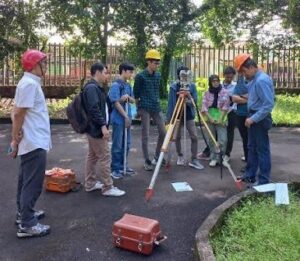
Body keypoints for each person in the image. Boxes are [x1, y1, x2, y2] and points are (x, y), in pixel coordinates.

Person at [10, 49, 51, 238]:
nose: (46, 66)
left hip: (32, 140)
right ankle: (27, 223)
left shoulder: (28, 83)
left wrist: (16, 137)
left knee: (25, 180)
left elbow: (15, 111)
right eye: (43, 63)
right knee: (32, 183)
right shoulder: (29, 84)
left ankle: (24, 214)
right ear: (35, 65)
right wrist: (14, 137)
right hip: (34, 141)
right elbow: (18, 113)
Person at [82, 62, 125, 196]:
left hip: (94, 128)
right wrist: (103, 126)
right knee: (105, 156)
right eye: (105, 73)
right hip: (96, 129)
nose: (107, 75)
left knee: (93, 156)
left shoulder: (96, 87)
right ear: (98, 73)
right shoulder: (92, 88)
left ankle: (90, 183)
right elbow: (94, 109)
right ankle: (107, 187)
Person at [234, 54, 275, 185]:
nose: (244, 75)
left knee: (262, 149)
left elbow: (268, 104)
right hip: (253, 115)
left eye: (244, 72)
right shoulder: (255, 79)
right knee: (251, 147)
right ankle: (250, 174)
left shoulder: (261, 80)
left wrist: (253, 119)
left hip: (259, 118)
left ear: (251, 67)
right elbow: (254, 94)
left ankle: (263, 181)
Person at [133, 49, 166, 171]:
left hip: (156, 107)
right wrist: (138, 110)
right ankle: (147, 160)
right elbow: (136, 94)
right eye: (155, 63)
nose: (157, 65)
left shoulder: (158, 75)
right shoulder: (140, 76)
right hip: (144, 107)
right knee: (145, 134)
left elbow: (158, 91)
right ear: (149, 62)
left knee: (163, 132)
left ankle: (157, 157)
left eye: (158, 63)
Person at [166, 66, 204, 170]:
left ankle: (194, 159)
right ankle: (180, 155)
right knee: (176, 137)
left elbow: (194, 101)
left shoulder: (192, 86)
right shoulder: (174, 87)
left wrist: (188, 98)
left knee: (194, 136)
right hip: (177, 114)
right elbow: (171, 103)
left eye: (187, 75)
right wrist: (169, 119)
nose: (185, 77)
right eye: (183, 75)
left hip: (189, 115)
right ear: (179, 75)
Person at [109, 62, 135, 179]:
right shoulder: (115, 85)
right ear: (123, 71)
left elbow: (133, 100)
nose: (131, 74)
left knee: (127, 143)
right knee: (117, 144)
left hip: (127, 118)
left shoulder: (128, 85)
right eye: (130, 71)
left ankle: (124, 165)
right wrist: (125, 116)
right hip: (119, 119)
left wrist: (128, 98)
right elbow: (115, 103)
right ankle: (115, 168)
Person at [201, 75, 230, 167]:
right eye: (213, 81)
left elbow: (226, 106)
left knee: (223, 139)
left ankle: (220, 157)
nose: (215, 82)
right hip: (210, 116)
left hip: (221, 116)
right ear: (210, 82)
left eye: (217, 81)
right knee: (211, 139)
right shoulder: (206, 93)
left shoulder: (225, 92)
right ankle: (213, 158)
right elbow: (204, 107)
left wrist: (220, 118)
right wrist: (210, 118)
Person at [232, 74, 249, 172]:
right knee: (245, 138)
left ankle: (253, 162)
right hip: (240, 114)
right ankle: (248, 160)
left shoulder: (256, 82)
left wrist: (241, 96)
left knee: (252, 140)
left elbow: (255, 97)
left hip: (251, 115)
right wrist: (247, 98)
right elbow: (234, 99)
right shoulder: (240, 82)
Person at [222, 66, 237, 162]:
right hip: (220, 112)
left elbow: (236, 99)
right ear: (224, 76)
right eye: (227, 77)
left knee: (230, 132)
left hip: (232, 112)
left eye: (231, 77)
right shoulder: (219, 85)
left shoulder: (235, 86)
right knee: (218, 132)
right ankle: (217, 153)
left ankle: (227, 153)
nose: (229, 79)